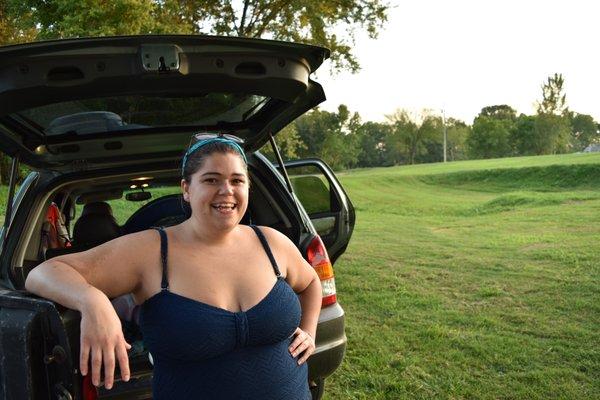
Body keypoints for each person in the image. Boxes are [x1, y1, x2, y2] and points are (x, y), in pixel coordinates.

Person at [25, 133, 321, 399]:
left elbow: (310, 284)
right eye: (211, 179)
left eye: (236, 180)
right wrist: (93, 301)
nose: (226, 191)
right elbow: (43, 273)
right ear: (186, 189)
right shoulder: (152, 250)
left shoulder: (271, 242)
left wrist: (309, 330)